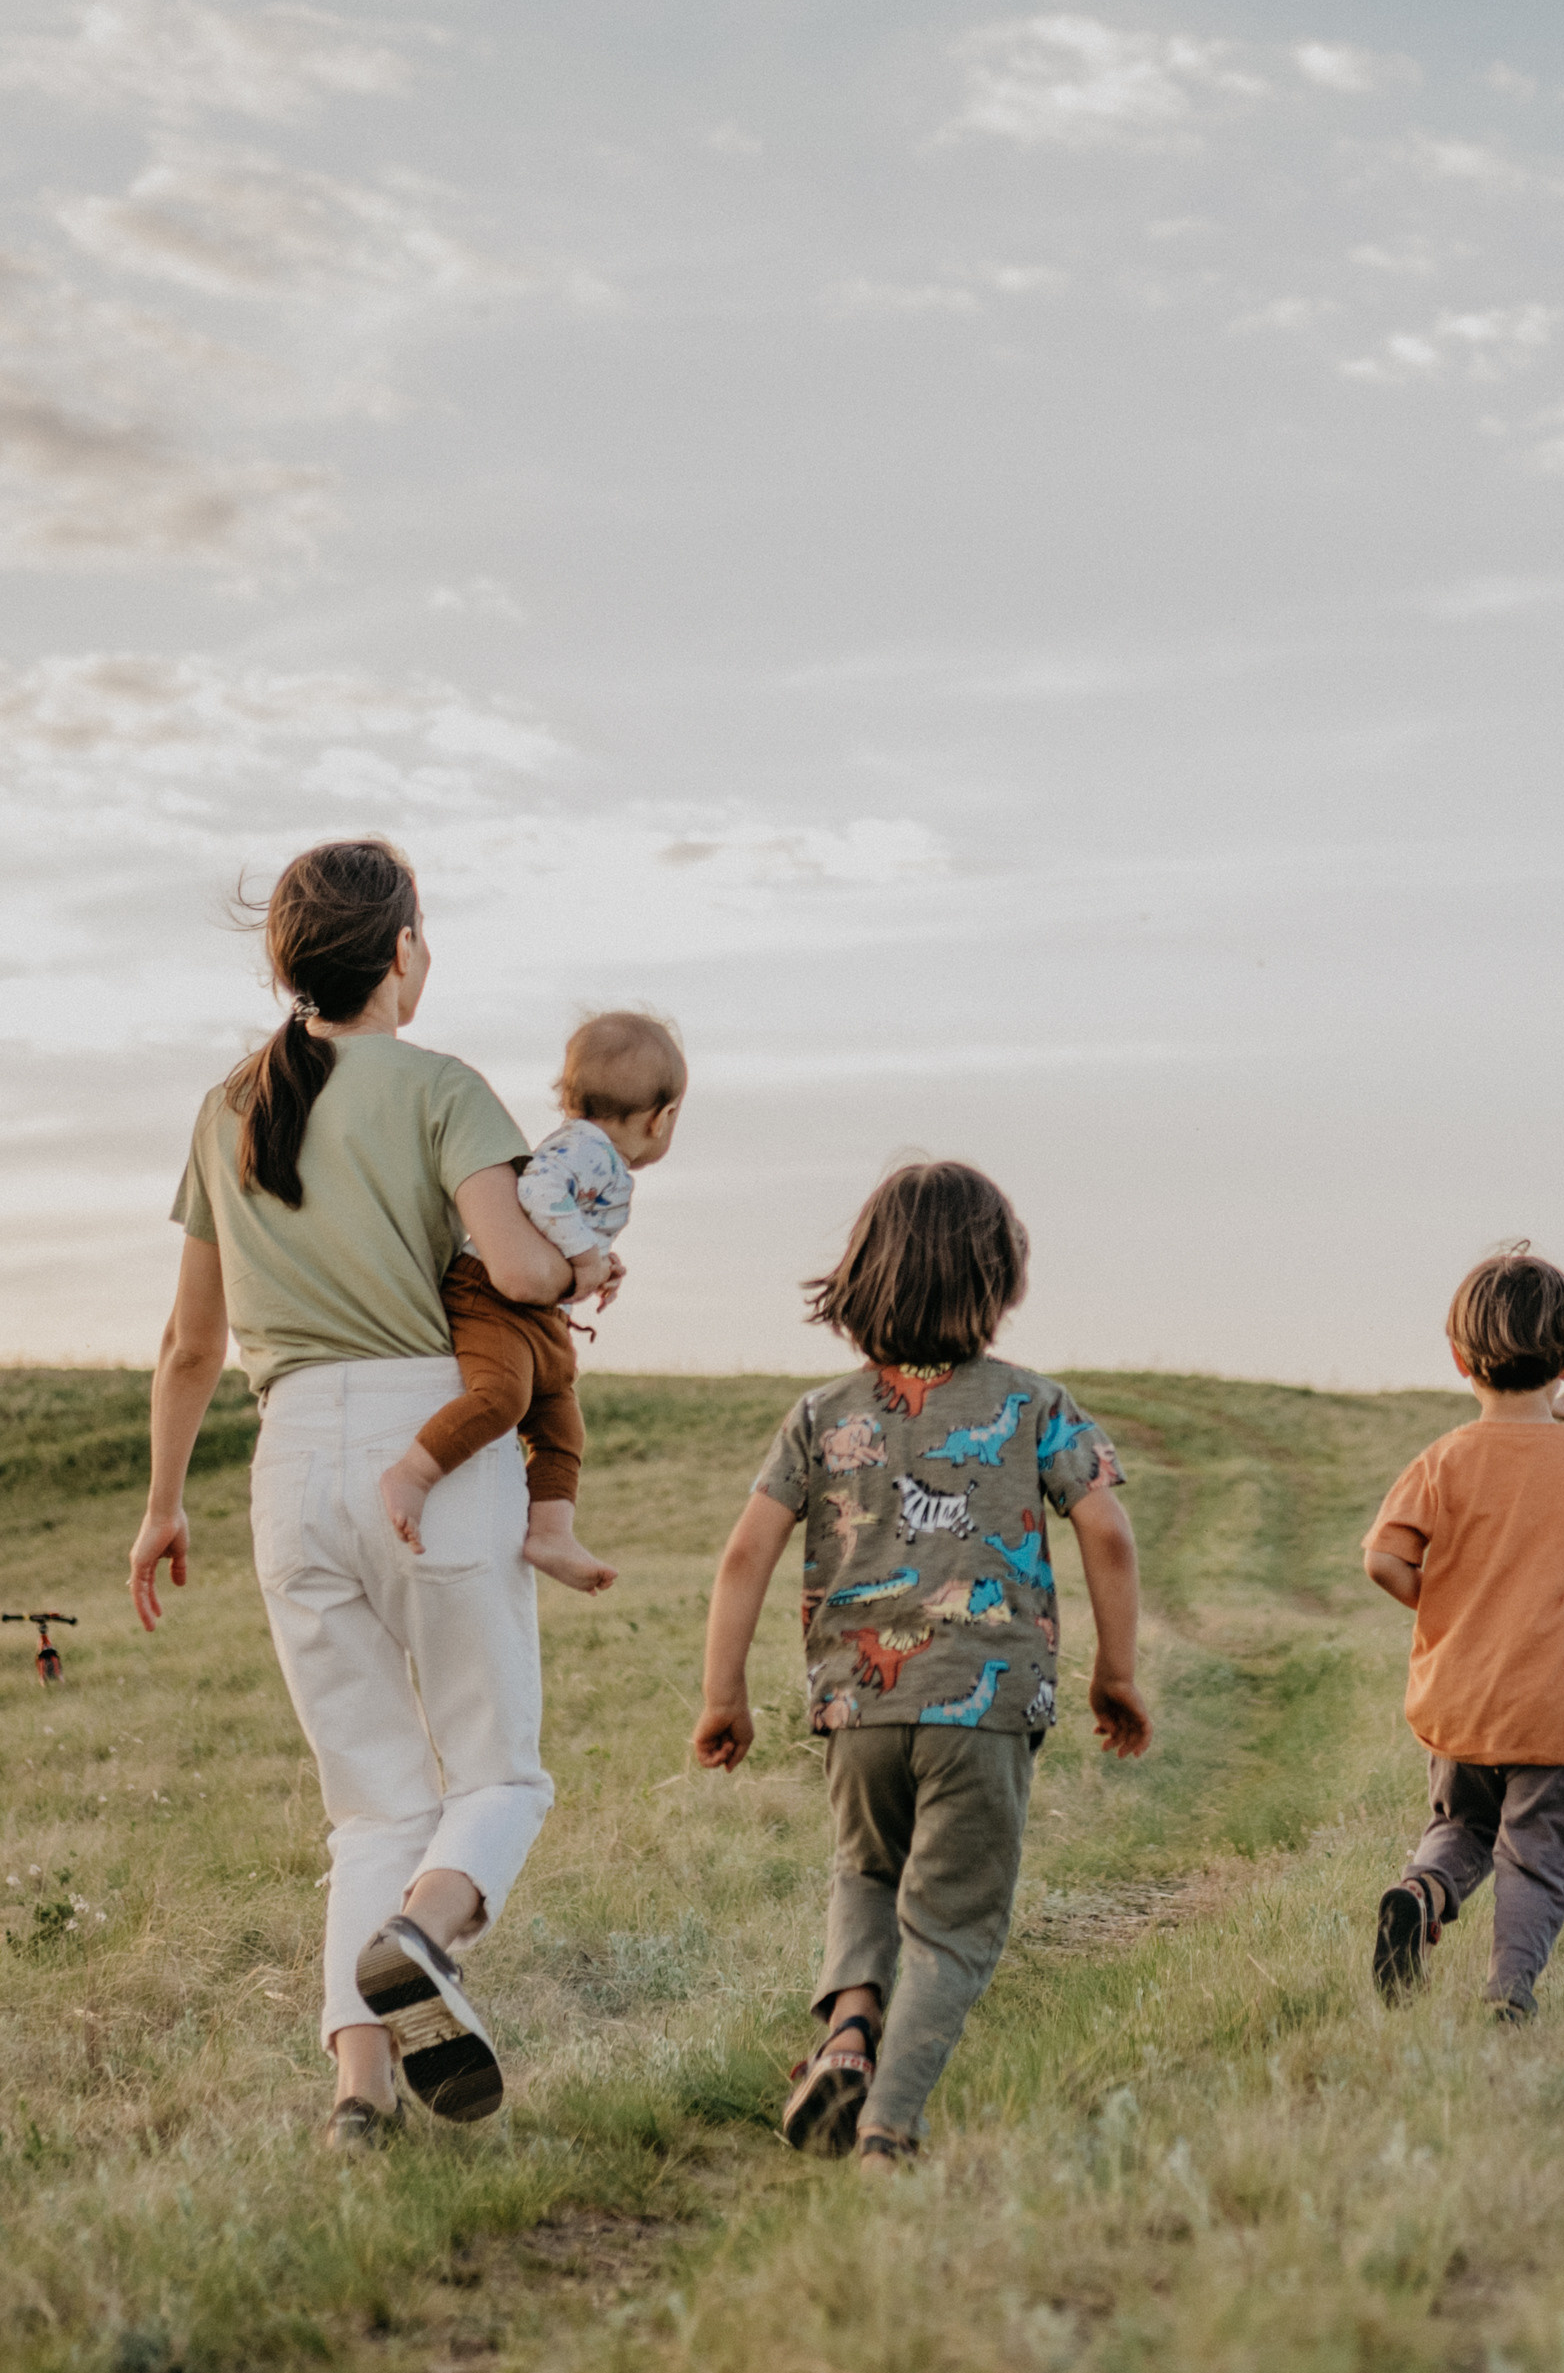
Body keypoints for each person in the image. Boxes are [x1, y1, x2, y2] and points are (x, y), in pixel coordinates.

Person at [132, 837, 589, 2148]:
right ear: (400, 954)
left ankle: (358, 2098)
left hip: (289, 1463)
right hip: (429, 1443)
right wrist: (579, 1273)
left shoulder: (226, 1110)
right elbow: (511, 1269)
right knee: (498, 1773)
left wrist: (165, 1504)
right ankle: (423, 1938)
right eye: (423, 933)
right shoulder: (443, 1088)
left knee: (373, 1799)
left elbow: (189, 1347)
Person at [692, 1159, 1149, 2168]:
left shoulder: (820, 1414)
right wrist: (1113, 1674)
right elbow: (1108, 1536)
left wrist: (724, 1695)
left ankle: (848, 2030)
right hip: (982, 1710)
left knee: (865, 1870)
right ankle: (887, 2127)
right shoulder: (1035, 1406)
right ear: (1001, 1281)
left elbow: (743, 1554)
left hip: (858, 1707)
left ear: (863, 1276)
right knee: (951, 1926)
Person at [1363, 1244, 1564, 2024]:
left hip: (1462, 1703)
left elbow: (1382, 1560)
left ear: (1455, 1358)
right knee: (1536, 1856)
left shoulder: (1442, 1460)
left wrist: (1444, 1606)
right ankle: (1509, 1989)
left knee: (1461, 1827)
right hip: (1554, 1715)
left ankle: (1419, 1892)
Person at [378, 1010, 689, 1599]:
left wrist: (598, 1262)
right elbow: (538, 1191)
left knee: (560, 1421)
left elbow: (565, 1222)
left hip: (534, 1308)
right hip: (486, 1292)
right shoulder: (586, 1149)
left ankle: (549, 1533)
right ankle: (412, 1475)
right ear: (662, 1117)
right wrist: (583, 1257)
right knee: (502, 1397)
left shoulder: (593, 1152)